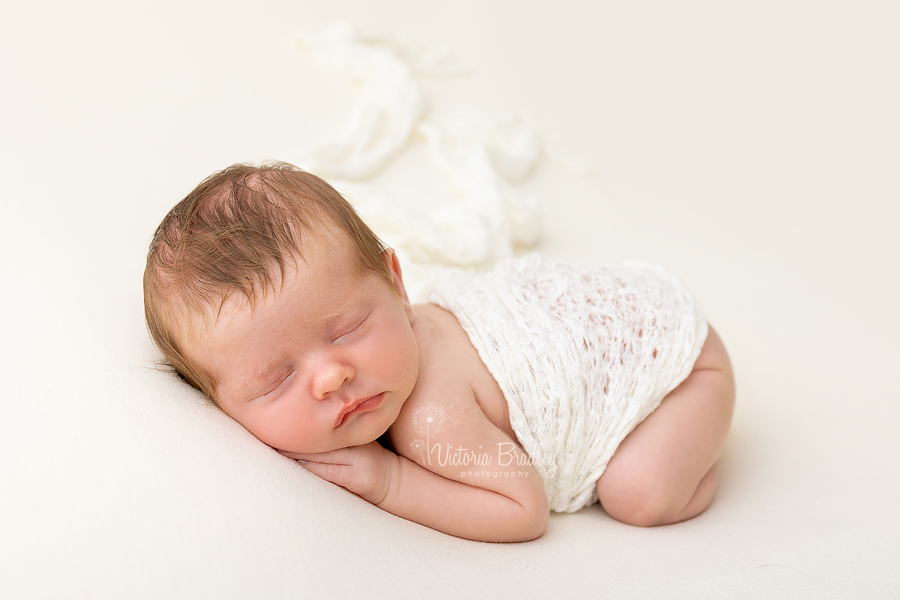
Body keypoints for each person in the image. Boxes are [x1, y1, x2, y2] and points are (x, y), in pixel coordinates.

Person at [143, 162, 735, 543]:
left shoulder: (430, 418)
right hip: (613, 328)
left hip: (674, 359)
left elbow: (520, 508)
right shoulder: (371, 372)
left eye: (347, 328)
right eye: (275, 381)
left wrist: (389, 482)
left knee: (637, 493)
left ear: (398, 286)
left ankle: (710, 454)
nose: (330, 376)